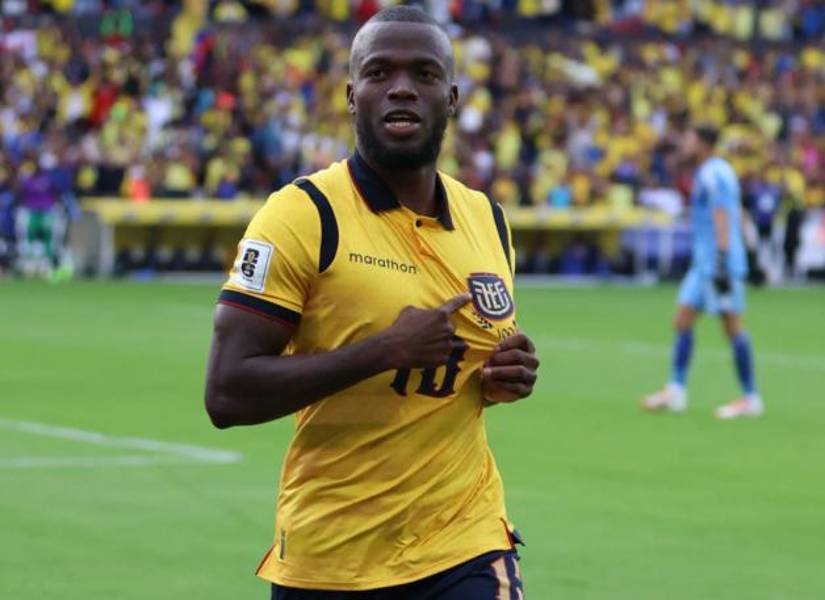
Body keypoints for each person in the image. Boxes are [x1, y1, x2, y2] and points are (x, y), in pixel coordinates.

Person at [204, 7, 539, 599]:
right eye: (380, 73)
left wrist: (499, 376)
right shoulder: (303, 215)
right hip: (332, 556)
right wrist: (383, 350)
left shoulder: (488, 219)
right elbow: (227, 393)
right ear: (352, 94)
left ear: (452, 96)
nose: (403, 87)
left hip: (465, 538)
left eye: (425, 75)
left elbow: (466, 366)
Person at [643, 127, 763, 419]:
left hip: (717, 264)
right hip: (703, 264)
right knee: (682, 319)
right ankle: (676, 390)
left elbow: (722, 214)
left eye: (689, 139)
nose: (685, 144)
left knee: (732, 325)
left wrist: (723, 258)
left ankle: (750, 397)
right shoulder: (713, 171)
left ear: (703, 144)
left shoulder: (713, 173)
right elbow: (737, 212)